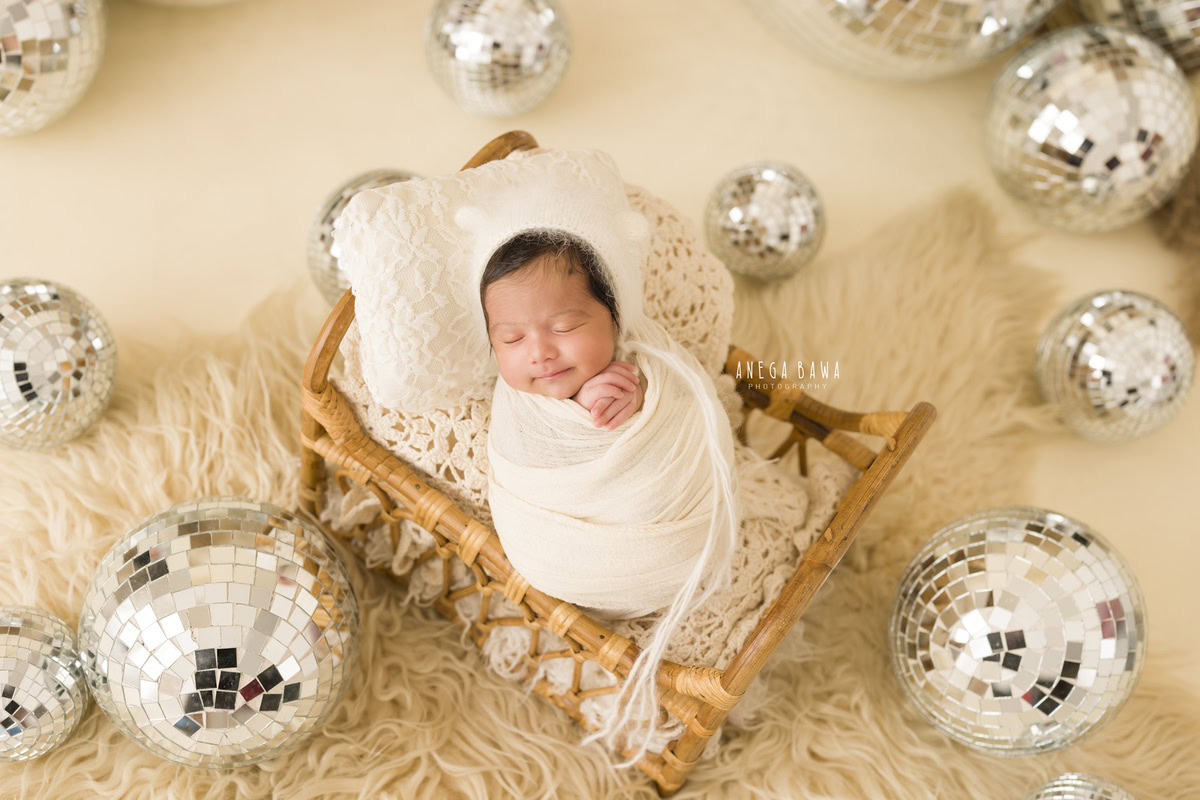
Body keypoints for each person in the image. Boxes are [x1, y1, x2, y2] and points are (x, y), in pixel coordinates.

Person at [480, 229, 647, 431]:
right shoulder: (512, 409)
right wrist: (580, 409)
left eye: (564, 328)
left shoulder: (645, 364)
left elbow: (676, 395)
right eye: (512, 338)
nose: (540, 354)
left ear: (615, 318)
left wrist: (642, 395)